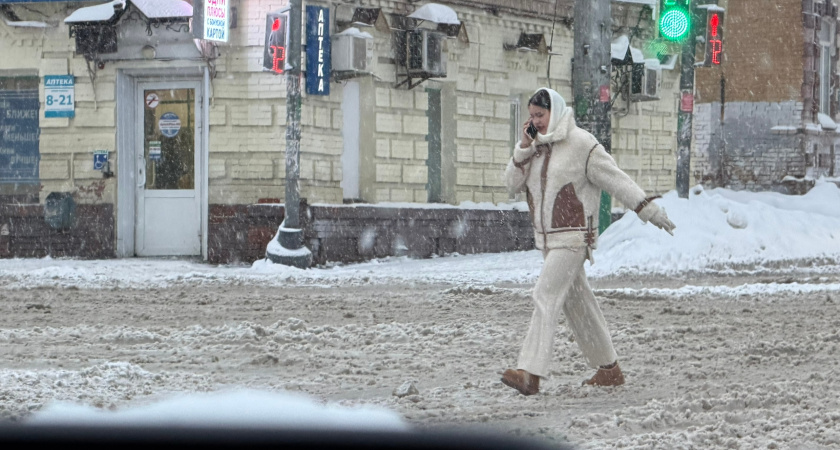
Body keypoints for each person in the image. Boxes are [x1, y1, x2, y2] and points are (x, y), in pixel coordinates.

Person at [501, 87, 675, 396]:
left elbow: (615, 178)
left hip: (573, 237)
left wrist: (648, 209)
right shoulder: (535, 148)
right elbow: (511, 185)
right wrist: (523, 148)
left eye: (540, 115)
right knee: (578, 303)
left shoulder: (582, 144)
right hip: (548, 241)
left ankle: (530, 373)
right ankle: (609, 370)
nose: (535, 121)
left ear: (555, 111)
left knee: (545, 294)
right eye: (532, 116)